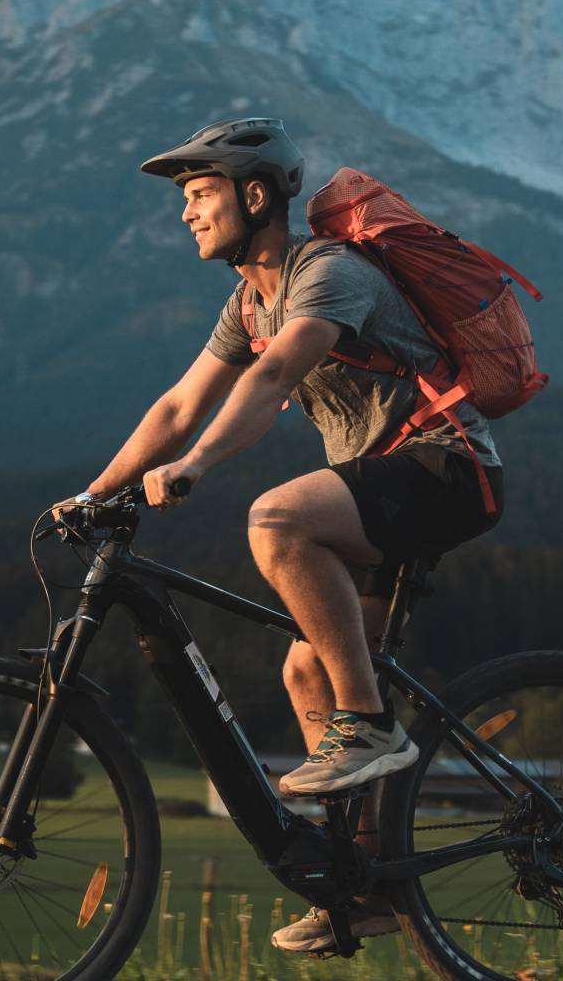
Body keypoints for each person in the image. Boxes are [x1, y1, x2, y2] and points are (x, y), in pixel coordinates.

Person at [67, 117, 506, 952]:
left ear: (255, 193)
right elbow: (176, 405)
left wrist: (196, 467)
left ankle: (370, 727)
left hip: (446, 469)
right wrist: (93, 493)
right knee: (311, 665)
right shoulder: (248, 302)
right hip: (386, 489)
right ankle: (366, 885)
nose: (187, 213)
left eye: (200, 194)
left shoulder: (328, 273)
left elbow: (275, 377)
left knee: (278, 519)